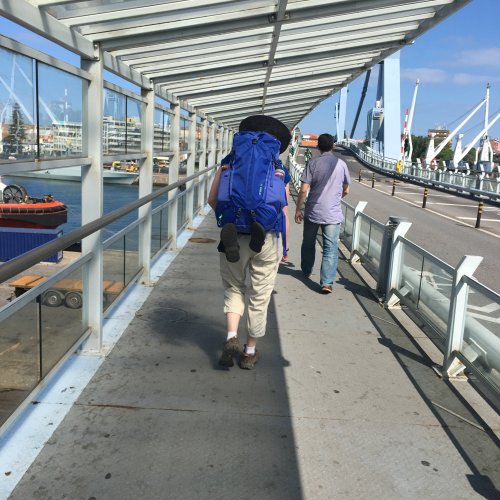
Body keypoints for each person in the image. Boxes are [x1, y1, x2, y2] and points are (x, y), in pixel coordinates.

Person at [208, 115, 291, 370]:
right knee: (260, 295)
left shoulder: (227, 164)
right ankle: (249, 352)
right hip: (267, 237)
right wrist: (284, 248)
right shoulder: (279, 170)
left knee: (234, 287)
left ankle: (231, 337)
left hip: (233, 234)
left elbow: (213, 200)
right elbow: (283, 210)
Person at [294, 133, 350, 294]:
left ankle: (306, 270)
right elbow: (346, 189)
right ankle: (326, 283)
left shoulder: (313, 163)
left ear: (317, 146)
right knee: (330, 248)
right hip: (332, 213)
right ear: (333, 146)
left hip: (313, 210)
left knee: (308, 242)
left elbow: (304, 190)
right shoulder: (341, 164)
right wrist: (334, 198)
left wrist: (298, 208)